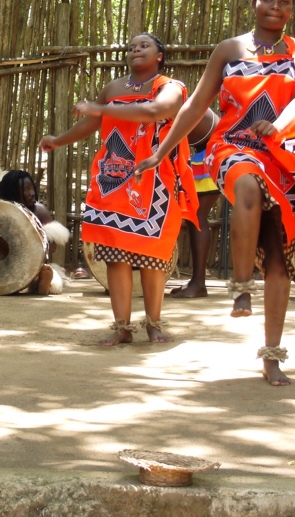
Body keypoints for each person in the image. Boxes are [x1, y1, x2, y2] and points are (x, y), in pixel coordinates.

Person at [134, 0, 295, 386]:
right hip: (233, 149)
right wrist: (162, 150)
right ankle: (241, 285)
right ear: (253, 2)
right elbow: (194, 106)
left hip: (283, 159)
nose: (276, 7)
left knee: (278, 260)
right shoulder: (230, 50)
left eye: (285, 1)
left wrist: (277, 126)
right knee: (245, 182)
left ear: (292, 8)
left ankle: (272, 356)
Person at [40, 33, 198, 345]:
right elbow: (91, 124)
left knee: (152, 255)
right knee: (115, 255)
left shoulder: (170, 87)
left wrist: (99, 108)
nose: (135, 50)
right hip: (112, 179)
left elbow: (155, 112)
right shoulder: (113, 88)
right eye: (131, 47)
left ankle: (154, 324)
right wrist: (59, 140)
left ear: (160, 56)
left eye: (144, 46)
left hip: (154, 180)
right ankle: (122, 328)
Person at [0, 167, 71, 295]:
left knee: (47, 271)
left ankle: (43, 281)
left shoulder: (39, 211)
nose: (32, 193)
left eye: (32, 188)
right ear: (14, 192)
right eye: (27, 190)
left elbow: (53, 247)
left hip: (31, 266)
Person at [169, 108, 220, 298]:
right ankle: (197, 281)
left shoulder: (168, 103)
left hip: (215, 150)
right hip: (206, 151)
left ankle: (199, 283)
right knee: (194, 217)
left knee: (197, 217)